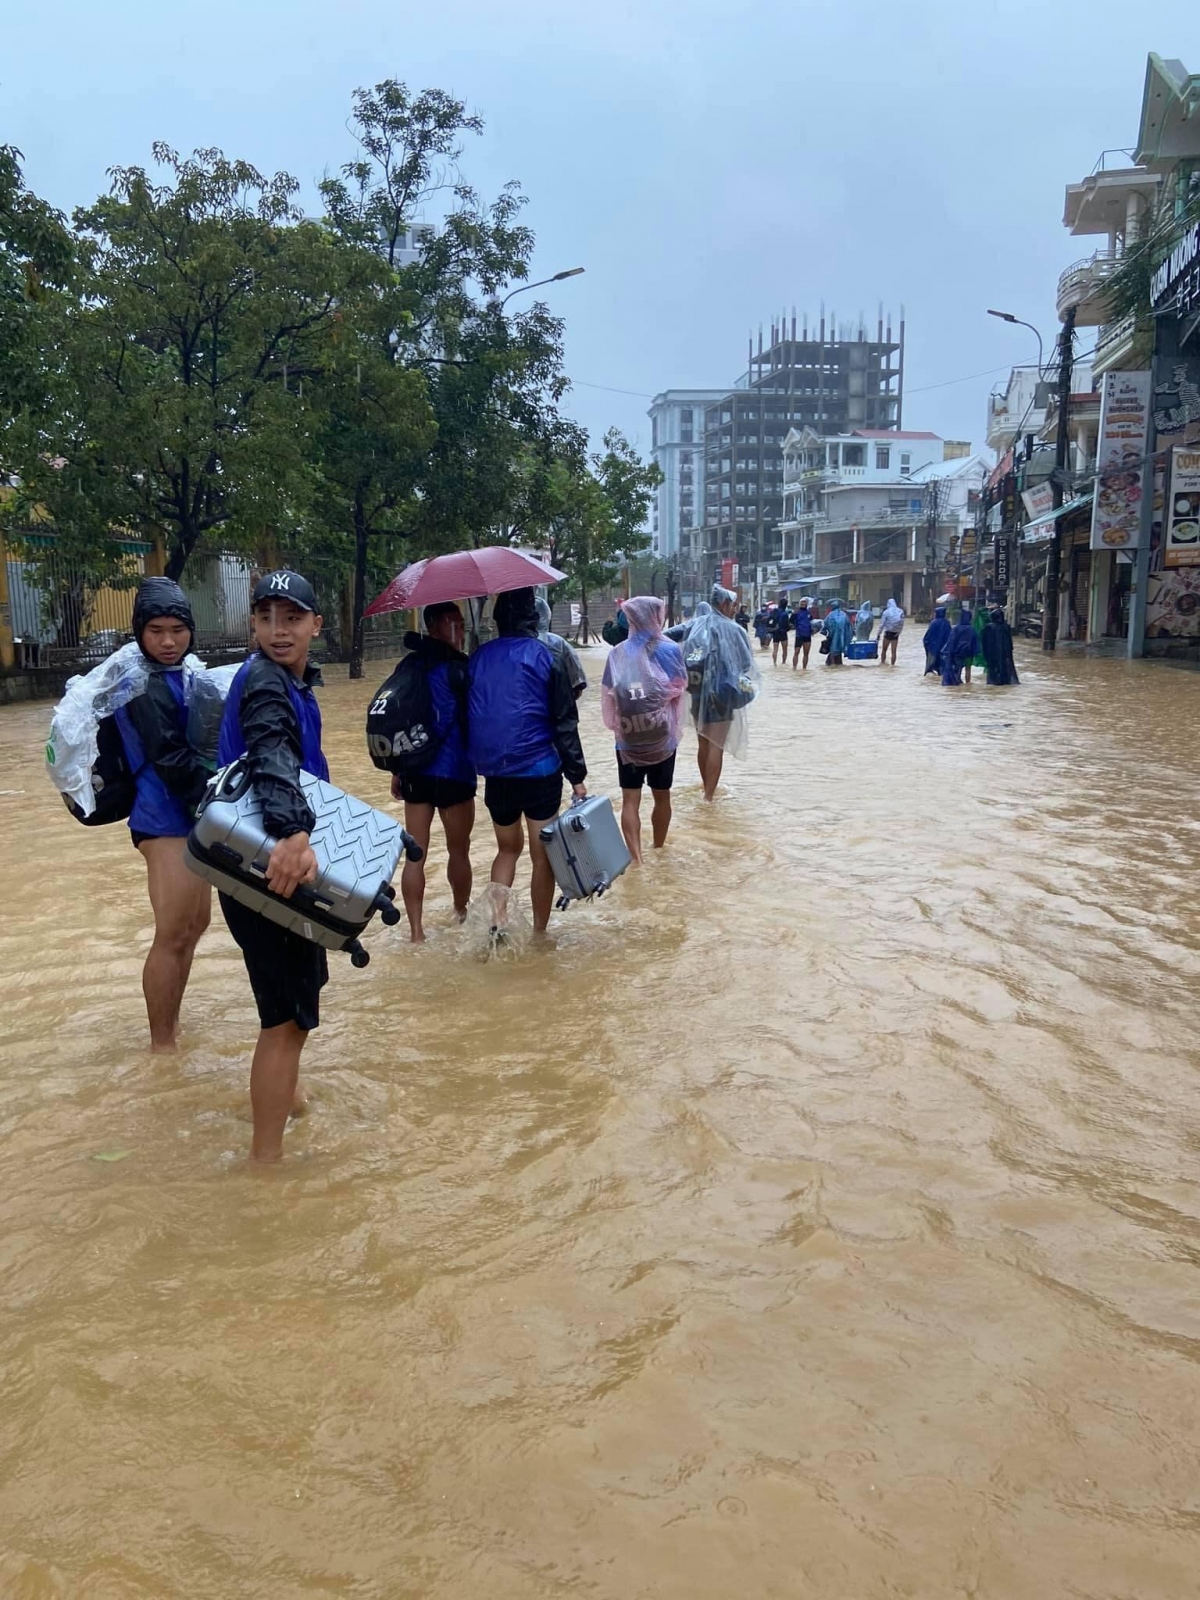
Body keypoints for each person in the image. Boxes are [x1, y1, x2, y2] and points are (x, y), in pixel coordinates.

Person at [217, 570, 329, 1162]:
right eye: (265, 618)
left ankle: (289, 1099)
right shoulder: (266, 682)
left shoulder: (291, 679)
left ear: (316, 623)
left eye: (290, 618)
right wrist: (293, 833)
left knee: (288, 1012)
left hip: (258, 862)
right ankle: (265, 1166)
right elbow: (271, 753)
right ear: (252, 624)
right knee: (284, 1019)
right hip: (273, 861)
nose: (278, 630)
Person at [113, 578, 213, 1052]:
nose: (168, 641)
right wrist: (214, 802)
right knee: (172, 932)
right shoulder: (141, 682)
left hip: (192, 814)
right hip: (162, 817)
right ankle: (161, 1046)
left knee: (195, 927)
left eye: (177, 629)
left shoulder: (185, 673)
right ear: (139, 631)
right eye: (156, 630)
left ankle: (172, 1026)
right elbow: (170, 758)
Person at [468, 586, 587, 934]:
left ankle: (498, 919)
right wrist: (577, 775)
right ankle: (538, 933)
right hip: (540, 772)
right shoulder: (547, 656)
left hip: (496, 773)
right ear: (533, 618)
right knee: (542, 856)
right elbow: (565, 722)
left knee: (507, 849)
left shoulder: (478, 658)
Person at [390, 602, 476, 943]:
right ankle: (461, 915)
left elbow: (399, 720)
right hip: (454, 770)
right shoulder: (461, 669)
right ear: (435, 626)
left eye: (461, 623)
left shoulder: (409, 665)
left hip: (415, 769)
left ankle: (416, 933)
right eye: (453, 623)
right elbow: (475, 720)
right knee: (458, 850)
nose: (461, 629)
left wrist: (397, 769)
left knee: (416, 853)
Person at [601, 595, 687, 864]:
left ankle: (636, 859)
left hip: (628, 736)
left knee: (630, 799)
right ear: (656, 616)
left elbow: (608, 696)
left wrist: (620, 725)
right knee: (662, 796)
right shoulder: (670, 650)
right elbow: (679, 688)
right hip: (662, 736)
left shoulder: (617, 653)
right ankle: (659, 849)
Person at [682, 584, 759, 800]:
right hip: (723, 693)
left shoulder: (696, 626)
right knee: (716, 744)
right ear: (724, 603)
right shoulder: (735, 630)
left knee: (703, 742)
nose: (735, 609)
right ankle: (709, 797)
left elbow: (668, 637)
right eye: (733, 605)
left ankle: (706, 787)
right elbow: (745, 665)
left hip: (697, 691)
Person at [535, 596, 588, 700]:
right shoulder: (558, 643)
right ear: (547, 615)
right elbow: (577, 682)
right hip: (555, 706)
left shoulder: (508, 646)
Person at [982, 606, 1020, 686]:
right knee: (1005, 669)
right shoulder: (1006, 626)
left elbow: (985, 642)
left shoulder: (989, 627)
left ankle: (995, 683)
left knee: (993, 671)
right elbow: (1010, 642)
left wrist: (985, 654)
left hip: (993, 653)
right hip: (1006, 653)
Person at [941, 607, 978, 686]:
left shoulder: (956, 628)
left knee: (958, 668)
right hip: (969, 653)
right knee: (968, 669)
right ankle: (968, 684)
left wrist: (949, 651)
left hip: (958, 653)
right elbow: (975, 641)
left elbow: (952, 641)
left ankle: (957, 683)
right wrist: (975, 652)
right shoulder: (971, 629)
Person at [821, 599, 854, 666]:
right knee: (839, 650)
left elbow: (825, 624)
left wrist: (824, 632)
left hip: (832, 636)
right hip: (843, 636)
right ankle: (838, 665)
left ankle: (833, 665)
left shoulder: (830, 615)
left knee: (833, 650)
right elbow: (849, 626)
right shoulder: (844, 614)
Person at [922, 605, 952, 675]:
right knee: (942, 669)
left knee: (929, 669)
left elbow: (927, 636)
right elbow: (950, 636)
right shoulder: (947, 623)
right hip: (944, 649)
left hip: (933, 648)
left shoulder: (933, 623)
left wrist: (927, 645)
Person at [877, 598, 905, 666]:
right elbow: (902, 623)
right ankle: (893, 665)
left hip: (888, 632)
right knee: (894, 651)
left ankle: (883, 663)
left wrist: (878, 634)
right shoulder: (900, 611)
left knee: (884, 649)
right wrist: (899, 632)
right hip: (896, 633)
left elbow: (882, 624)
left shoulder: (886, 612)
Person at [966, 602, 988, 685]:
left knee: (966, 668)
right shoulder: (991, 623)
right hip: (991, 648)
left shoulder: (975, 625)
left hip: (966, 650)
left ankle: (966, 683)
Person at [792, 596, 814, 670]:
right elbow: (790, 622)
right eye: (802, 603)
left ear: (807, 604)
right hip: (799, 635)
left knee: (806, 653)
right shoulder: (796, 613)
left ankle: (804, 668)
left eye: (805, 603)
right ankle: (794, 668)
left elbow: (812, 623)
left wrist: (812, 630)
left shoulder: (809, 613)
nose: (803, 604)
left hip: (807, 636)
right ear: (799, 604)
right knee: (796, 652)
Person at [770, 598, 792, 666]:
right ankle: (783, 662)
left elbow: (770, 620)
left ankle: (774, 663)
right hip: (783, 632)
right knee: (784, 649)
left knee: (775, 649)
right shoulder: (785, 614)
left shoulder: (774, 611)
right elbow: (787, 624)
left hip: (775, 632)